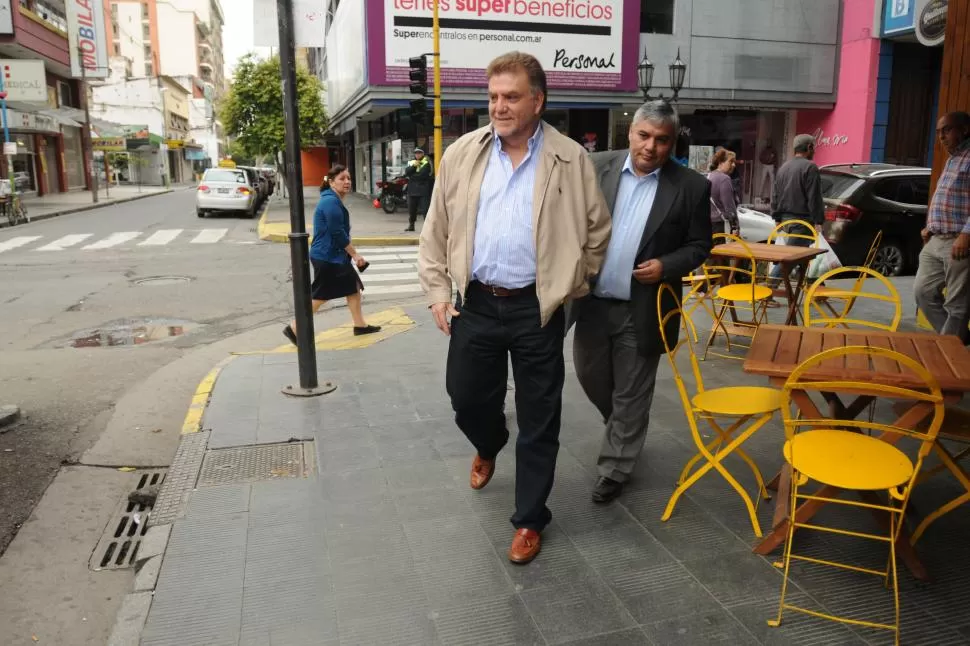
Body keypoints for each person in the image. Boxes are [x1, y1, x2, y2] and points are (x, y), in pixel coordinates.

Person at [418, 51, 611, 565]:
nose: (499, 107)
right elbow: (435, 228)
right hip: (477, 303)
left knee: (540, 416)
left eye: (510, 97)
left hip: (537, 310)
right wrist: (439, 291)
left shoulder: (571, 159)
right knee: (465, 398)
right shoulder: (462, 153)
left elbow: (597, 231)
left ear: (537, 101)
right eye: (493, 97)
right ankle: (488, 441)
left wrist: (576, 282)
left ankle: (529, 519)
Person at [572, 100, 712, 503]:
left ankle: (615, 466)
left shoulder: (690, 186)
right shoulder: (595, 166)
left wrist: (667, 264)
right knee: (592, 377)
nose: (650, 147)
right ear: (630, 131)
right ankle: (624, 429)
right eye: (644, 135)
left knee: (632, 391)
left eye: (661, 140)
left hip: (644, 308)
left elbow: (700, 245)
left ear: (672, 142)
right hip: (593, 304)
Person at [282, 165, 381, 344]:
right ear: (331, 181)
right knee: (320, 296)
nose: (347, 182)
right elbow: (337, 233)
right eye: (342, 178)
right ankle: (294, 328)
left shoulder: (333, 199)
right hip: (327, 257)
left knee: (353, 287)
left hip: (332, 256)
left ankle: (360, 325)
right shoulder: (329, 201)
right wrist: (356, 255)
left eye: (349, 178)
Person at [915, 111, 970, 343]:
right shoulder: (952, 159)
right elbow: (947, 197)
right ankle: (959, 340)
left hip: (959, 240)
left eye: (946, 130)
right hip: (936, 238)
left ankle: (948, 352)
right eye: (939, 132)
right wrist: (930, 226)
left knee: (957, 305)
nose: (941, 137)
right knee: (923, 293)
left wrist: (967, 234)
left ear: (964, 130)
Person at [767, 134, 824, 289]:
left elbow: (775, 194)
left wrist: (777, 217)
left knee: (801, 255)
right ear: (809, 147)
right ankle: (767, 290)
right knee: (791, 259)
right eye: (814, 147)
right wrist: (819, 221)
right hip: (802, 222)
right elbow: (814, 197)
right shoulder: (810, 167)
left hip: (786, 221)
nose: (815, 150)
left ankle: (818, 289)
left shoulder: (784, 167)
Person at [708, 148, 740, 235]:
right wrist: (735, 226)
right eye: (730, 162)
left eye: (734, 162)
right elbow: (729, 206)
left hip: (708, 224)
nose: (733, 165)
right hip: (721, 225)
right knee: (723, 248)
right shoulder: (724, 179)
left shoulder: (709, 176)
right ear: (721, 162)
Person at [405, 148, 432, 232]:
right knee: (412, 210)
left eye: (419, 153)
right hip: (412, 190)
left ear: (422, 154)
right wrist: (414, 166)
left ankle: (427, 228)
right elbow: (407, 172)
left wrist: (411, 177)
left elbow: (422, 176)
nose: (417, 155)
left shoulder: (426, 163)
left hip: (423, 190)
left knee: (425, 210)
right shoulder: (412, 162)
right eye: (416, 153)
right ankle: (411, 225)